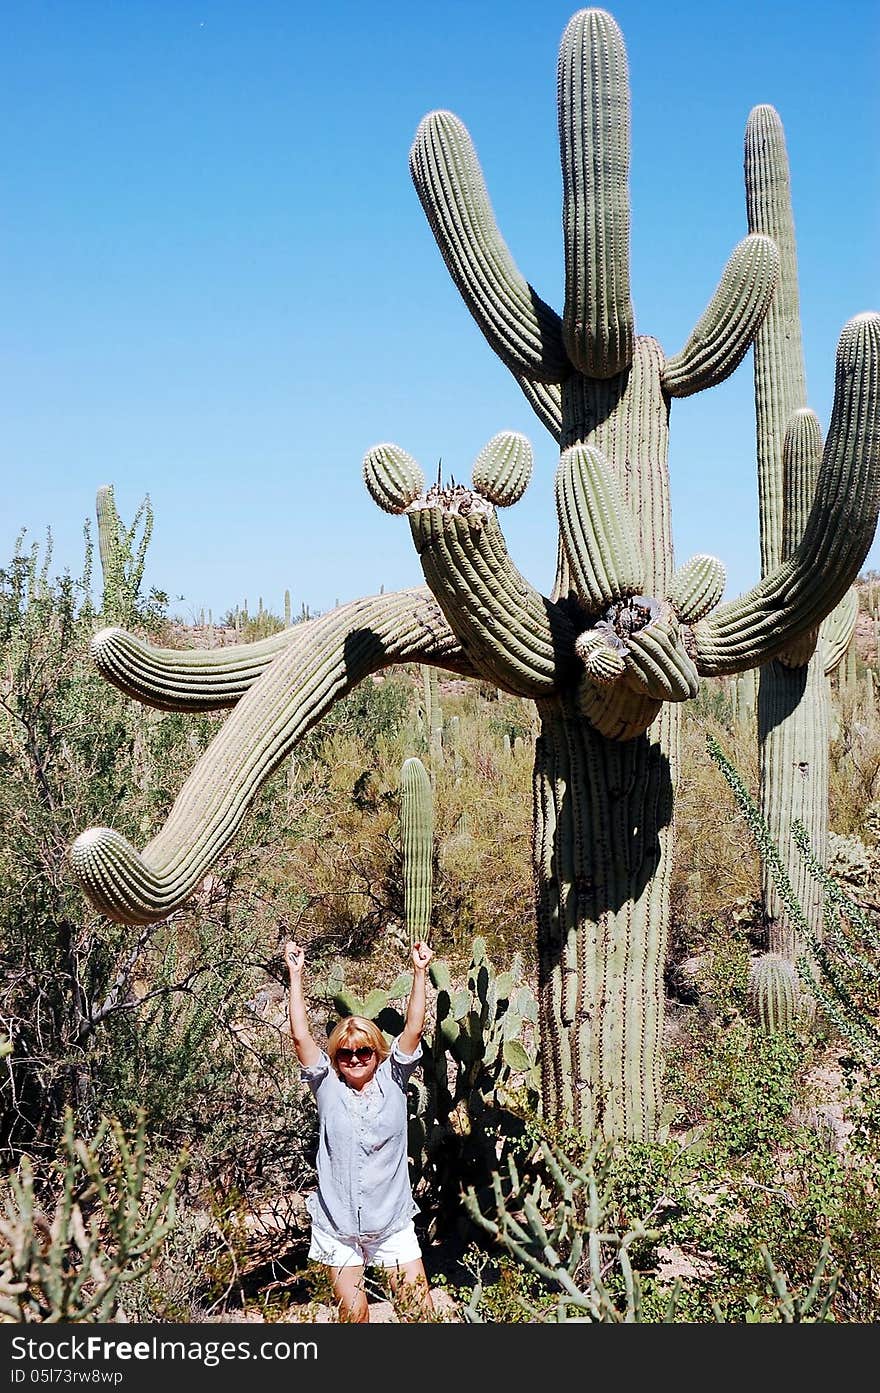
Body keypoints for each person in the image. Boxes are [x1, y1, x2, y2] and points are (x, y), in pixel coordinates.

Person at [284, 937, 435, 1323]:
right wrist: (296, 976)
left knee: (420, 1317)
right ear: (335, 1057)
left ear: (376, 1053)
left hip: (390, 1224)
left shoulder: (394, 1079)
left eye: (363, 1052)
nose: (355, 1059)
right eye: (345, 1053)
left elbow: (413, 1029)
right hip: (339, 1228)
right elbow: (301, 1038)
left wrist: (419, 972)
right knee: (355, 1320)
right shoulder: (327, 1086)